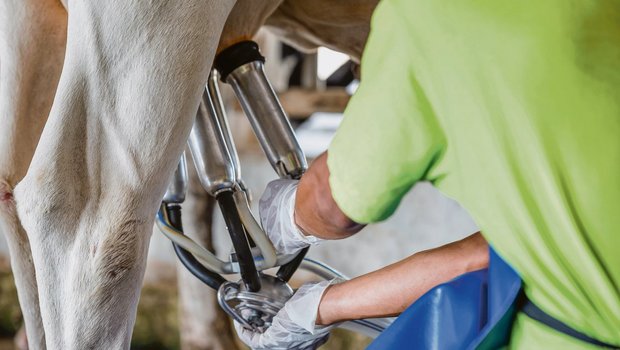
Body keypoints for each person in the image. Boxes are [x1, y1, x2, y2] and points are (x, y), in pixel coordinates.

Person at [235, 0, 620, 348]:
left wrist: (286, 218)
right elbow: (489, 255)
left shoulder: (428, 18)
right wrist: (320, 306)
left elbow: (330, 205)